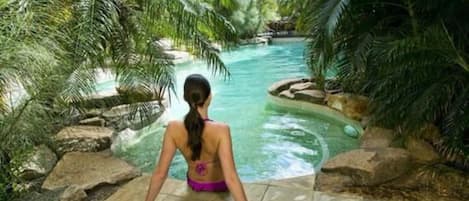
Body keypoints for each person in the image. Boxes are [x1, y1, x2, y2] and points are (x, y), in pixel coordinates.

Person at [145, 74, 248, 201]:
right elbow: (231, 178)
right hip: (219, 189)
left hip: (193, 186)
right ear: (209, 97)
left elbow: (160, 173)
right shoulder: (221, 130)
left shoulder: (172, 128)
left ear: (185, 98)